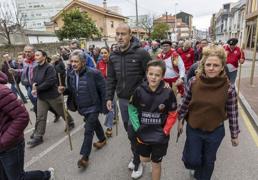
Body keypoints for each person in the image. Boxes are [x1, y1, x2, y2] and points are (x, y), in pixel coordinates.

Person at [177, 45, 240, 180]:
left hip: (215, 131)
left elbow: (233, 112)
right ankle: (195, 165)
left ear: (222, 67)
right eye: (208, 64)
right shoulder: (194, 82)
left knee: (209, 161)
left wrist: (234, 135)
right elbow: (184, 103)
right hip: (194, 129)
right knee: (192, 161)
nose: (211, 68)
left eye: (216, 65)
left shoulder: (229, 88)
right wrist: (180, 121)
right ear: (203, 65)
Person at [106, 23, 152, 179]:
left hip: (137, 103)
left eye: (123, 34)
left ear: (130, 35)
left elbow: (151, 75)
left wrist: (144, 94)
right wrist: (108, 97)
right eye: (117, 34)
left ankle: (138, 161)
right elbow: (111, 79)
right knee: (129, 132)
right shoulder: (112, 56)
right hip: (123, 101)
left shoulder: (141, 54)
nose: (119, 37)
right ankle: (136, 155)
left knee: (134, 132)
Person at [0, 71, 55, 180]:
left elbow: (22, 116)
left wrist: (3, 141)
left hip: (9, 145)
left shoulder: (1, 91)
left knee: (17, 178)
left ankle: (47, 175)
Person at [128, 60, 177, 180]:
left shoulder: (168, 92)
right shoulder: (139, 90)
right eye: (151, 74)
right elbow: (132, 109)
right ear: (146, 74)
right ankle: (145, 160)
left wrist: (165, 131)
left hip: (160, 136)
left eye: (157, 75)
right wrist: (137, 127)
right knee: (144, 159)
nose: (153, 77)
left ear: (162, 76)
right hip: (143, 134)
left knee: (156, 164)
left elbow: (173, 113)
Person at [59, 50, 107, 169]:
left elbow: (104, 90)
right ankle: (102, 139)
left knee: (88, 130)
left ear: (83, 62)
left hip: (94, 107)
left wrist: (105, 105)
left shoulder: (94, 73)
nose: (73, 64)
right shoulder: (70, 74)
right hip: (82, 107)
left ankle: (85, 157)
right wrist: (63, 90)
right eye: (72, 61)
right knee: (94, 124)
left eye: (76, 61)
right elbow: (72, 91)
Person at [27, 50, 75, 148]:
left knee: (61, 112)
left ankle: (70, 122)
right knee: (41, 116)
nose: (35, 57)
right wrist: (34, 85)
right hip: (41, 97)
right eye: (35, 55)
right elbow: (34, 80)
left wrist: (38, 88)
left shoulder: (50, 67)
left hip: (53, 95)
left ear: (44, 57)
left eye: (37, 55)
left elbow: (50, 81)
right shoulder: (35, 68)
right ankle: (38, 136)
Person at [97, 47, 117, 137]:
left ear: (109, 53)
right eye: (102, 53)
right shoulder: (99, 63)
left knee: (110, 106)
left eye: (105, 52)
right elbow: (97, 75)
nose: (103, 55)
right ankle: (116, 115)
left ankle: (109, 127)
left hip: (113, 87)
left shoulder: (113, 62)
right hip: (103, 88)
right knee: (112, 105)